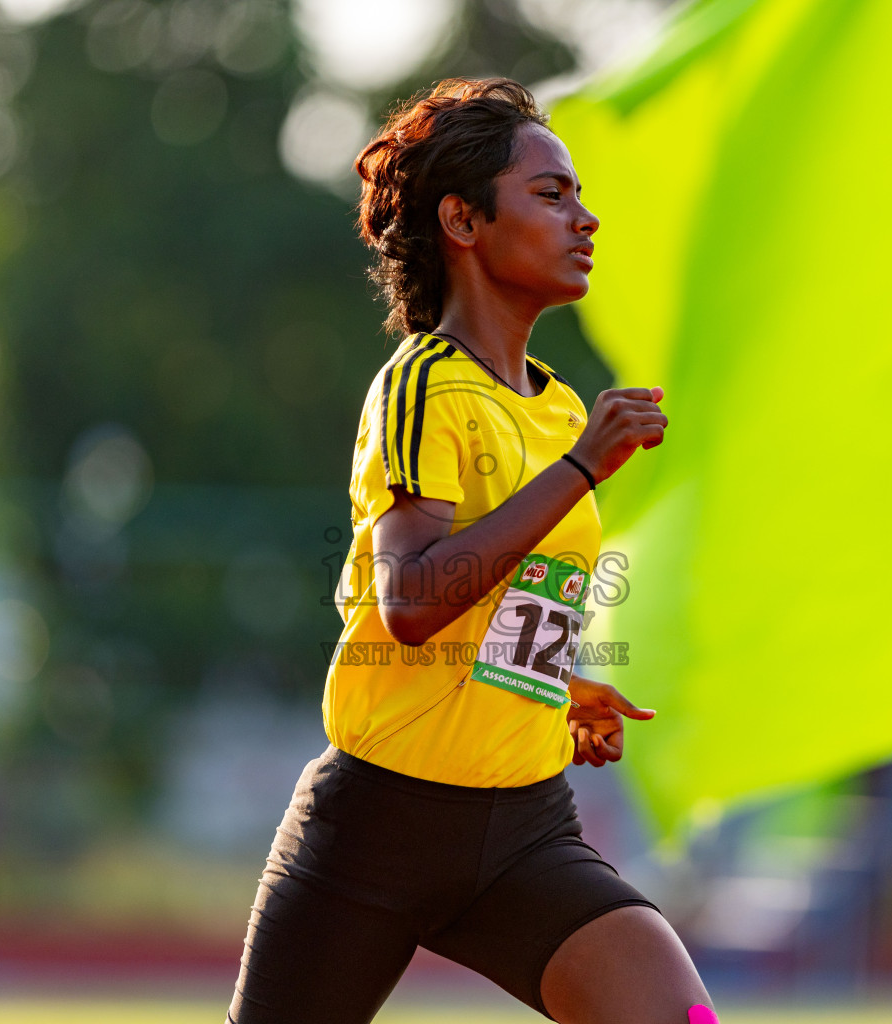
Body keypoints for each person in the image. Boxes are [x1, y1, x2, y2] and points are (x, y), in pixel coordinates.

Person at [228, 78, 716, 1024]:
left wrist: (554, 683)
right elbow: (410, 600)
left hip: (526, 828)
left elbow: (507, 590)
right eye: (552, 194)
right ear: (462, 220)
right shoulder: (421, 386)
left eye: (578, 194)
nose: (586, 218)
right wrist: (580, 469)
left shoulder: (562, 407)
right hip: (379, 827)